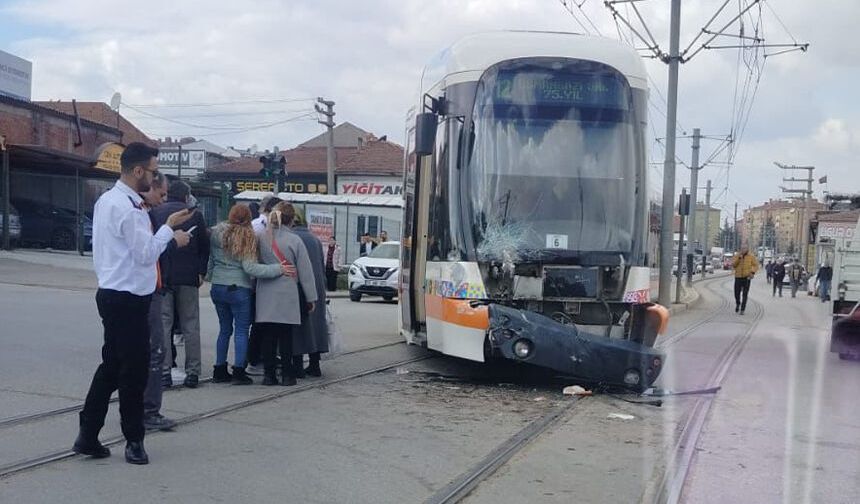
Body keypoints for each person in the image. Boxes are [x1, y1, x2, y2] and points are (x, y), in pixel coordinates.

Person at [74, 142, 192, 465]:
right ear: (137, 171)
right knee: (133, 372)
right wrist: (169, 231)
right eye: (153, 173)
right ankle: (134, 441)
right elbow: (144, 255)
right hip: (128, 298)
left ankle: (88, 433)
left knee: (112, 366)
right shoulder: (128, 208)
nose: (155, 180)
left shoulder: (109, 201)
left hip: (112, 293)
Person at [206, 204, 296, 385]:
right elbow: (250, 268)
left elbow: (210, 264)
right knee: (240, 330)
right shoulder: (247, 236)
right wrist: (279, 268)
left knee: (224, 330)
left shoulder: (216, 234)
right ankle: (239, 371)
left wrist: (212, 276)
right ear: (248, 218)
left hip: (218, 286)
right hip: (238, 287)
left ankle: (219, 369)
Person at [151, 181, 210, 388]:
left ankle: (165, 372)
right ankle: (193, 372)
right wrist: (201, 271)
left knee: (164, 326)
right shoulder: (194, 214)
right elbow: (204, 245)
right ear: (186, 196)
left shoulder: (156, 213)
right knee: (190, 325)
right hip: (188, 277)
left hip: (164, 277)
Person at [255, 202, 318, 386]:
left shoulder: (261, 238)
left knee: (268, 336)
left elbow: (255, 263)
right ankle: (287, 375)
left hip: (265, 291)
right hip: (287, 293)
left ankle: (269, 375)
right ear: (291, 220)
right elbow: (305, 272)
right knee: (286, 336)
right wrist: (311, 297)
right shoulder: (295, 240)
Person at [139, 171, 178, 432]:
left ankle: (137, 409)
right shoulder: (140, 213)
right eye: (161, 194)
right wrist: (172, 234)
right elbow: (147, 253)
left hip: (146, 289)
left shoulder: (142, 210)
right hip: (144, 290)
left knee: (129, 355)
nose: (163, 200)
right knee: (154, 351)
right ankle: (148, 411)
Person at [290, 211, 329, 378]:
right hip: (318, 286)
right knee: (316, 326)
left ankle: (297, 366)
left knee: (297, 328)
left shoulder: (292, 238)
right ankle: (315, 364)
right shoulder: (315, 239)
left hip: (299, 286)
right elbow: (321, 263)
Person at [246, 195, 282, 375]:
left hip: (263, 279)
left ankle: (260, 356)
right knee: (259, 322)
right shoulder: (258, 227)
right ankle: (254, 358)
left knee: (262, 321)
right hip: (257, 279)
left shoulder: (267, 227)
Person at [732, 245, 759, 315]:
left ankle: (742, 309)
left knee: (745, 294)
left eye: (745, 248)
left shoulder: (751, 256)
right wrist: (739, 258)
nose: (743, 250)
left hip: (747, 277)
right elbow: (734, 265)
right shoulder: (737, 255)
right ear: (740, 249)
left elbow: (756, 265)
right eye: (742, 248)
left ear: (747, 249)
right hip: (738, 276)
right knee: (736, 293)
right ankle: (738, 303)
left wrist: (752, 272)